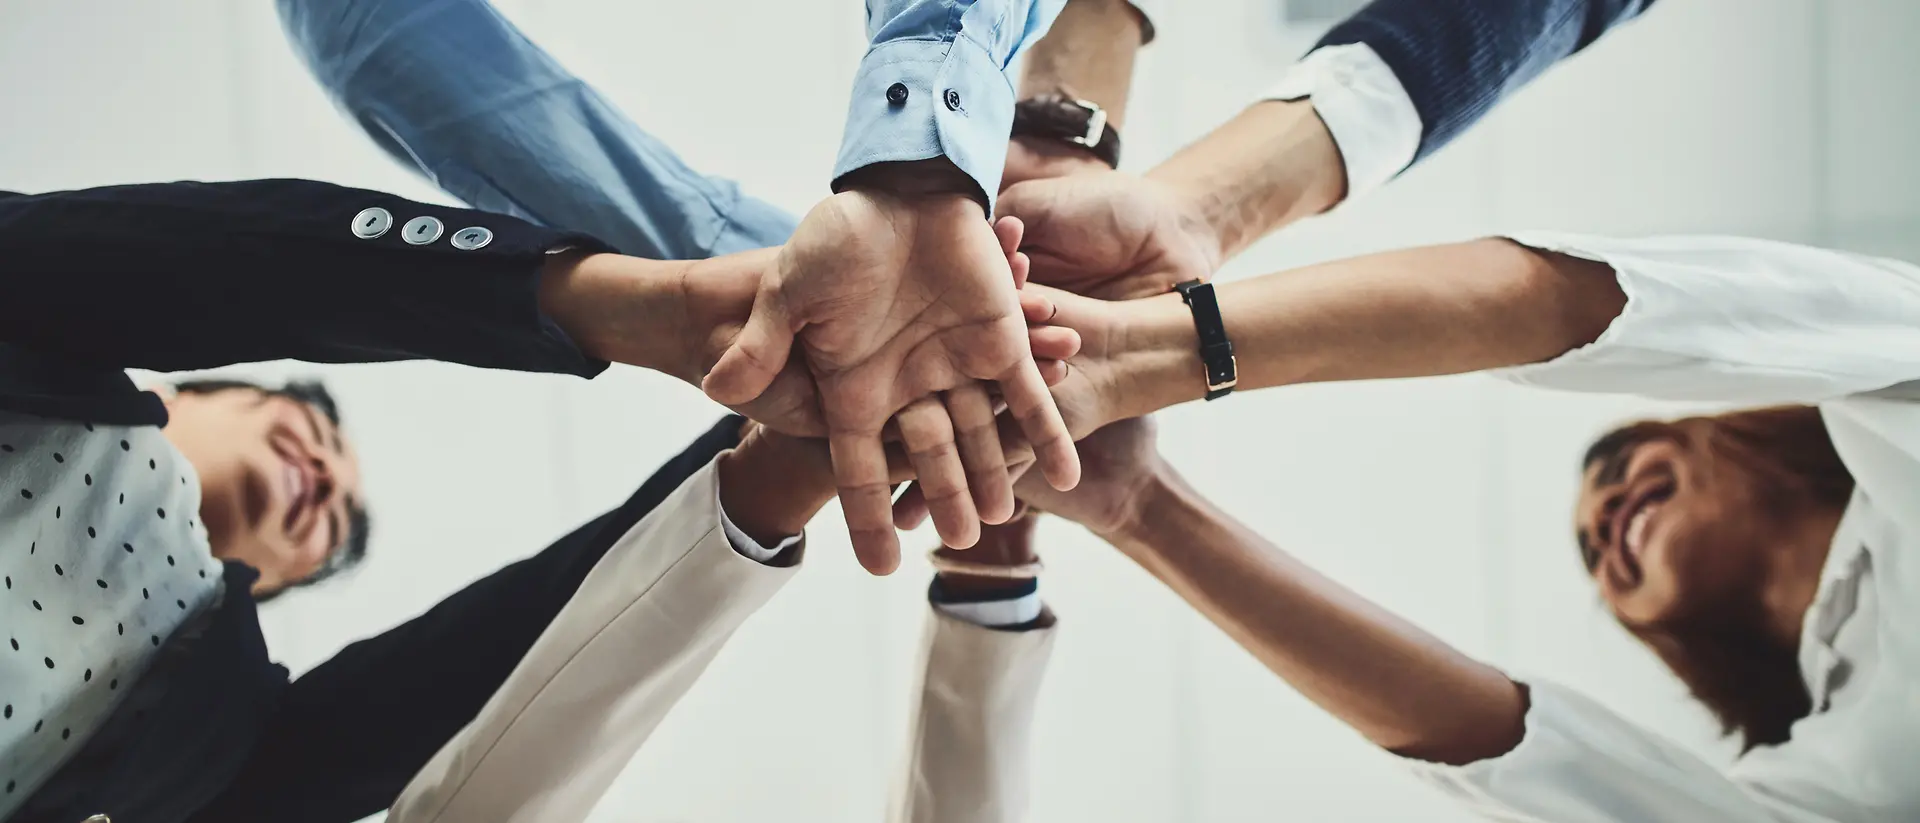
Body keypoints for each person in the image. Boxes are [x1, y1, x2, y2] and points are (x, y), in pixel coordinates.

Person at [1004, 225, 1920, 820]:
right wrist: (1136, 507)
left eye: (1621, 464)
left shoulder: (1896, 392)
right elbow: (1530, 758)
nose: (1604, 527)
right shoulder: (1838, 788)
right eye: (1593, 552)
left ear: (1732, 418)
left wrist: (1146, 348)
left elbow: (1619, 311)